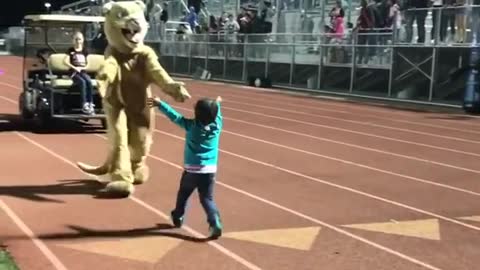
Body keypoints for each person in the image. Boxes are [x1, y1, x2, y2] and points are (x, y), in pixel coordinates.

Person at [147, 95, 224, 239]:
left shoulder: (191, 126)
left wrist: (160, 104)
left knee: (184, 193)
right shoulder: (218, 124)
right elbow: (216, 112)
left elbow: (175, 116)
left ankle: (178, 216)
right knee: (207, 198)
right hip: (210, 171)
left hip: (192, 170)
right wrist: (217, 103)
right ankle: (215, 222)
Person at [63, 31, 94, 114]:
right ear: (73, 40)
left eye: (79, 39)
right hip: (74, 73)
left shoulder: (85, 51)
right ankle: (84, 104)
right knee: (82, 82)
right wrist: (75, 68)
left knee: (89, 81)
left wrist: (83, 67)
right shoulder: (71, 50)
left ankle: (90, 103)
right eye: (76, 39)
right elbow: (65, 61)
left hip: (83, 72)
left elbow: (88, 63)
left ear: (82, 40)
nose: (78, 41)